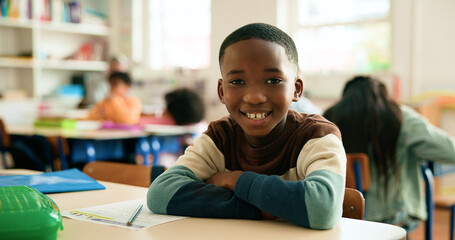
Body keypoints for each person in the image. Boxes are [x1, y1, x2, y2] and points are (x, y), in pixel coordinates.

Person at [147, 23, 346, 229]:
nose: (254, 97)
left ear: (296, 89)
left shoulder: (316, 135)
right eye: (237, 82)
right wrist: (269, 207)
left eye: (273, 80)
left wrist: (234, 180)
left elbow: (322, 209)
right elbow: (161, 193)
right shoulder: (220, 137)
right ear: (222, 91)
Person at [323, 75, 455, 230]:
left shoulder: (329, 118)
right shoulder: (399, 116)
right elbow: (450, 150)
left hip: (345, 213)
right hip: (395, 215)